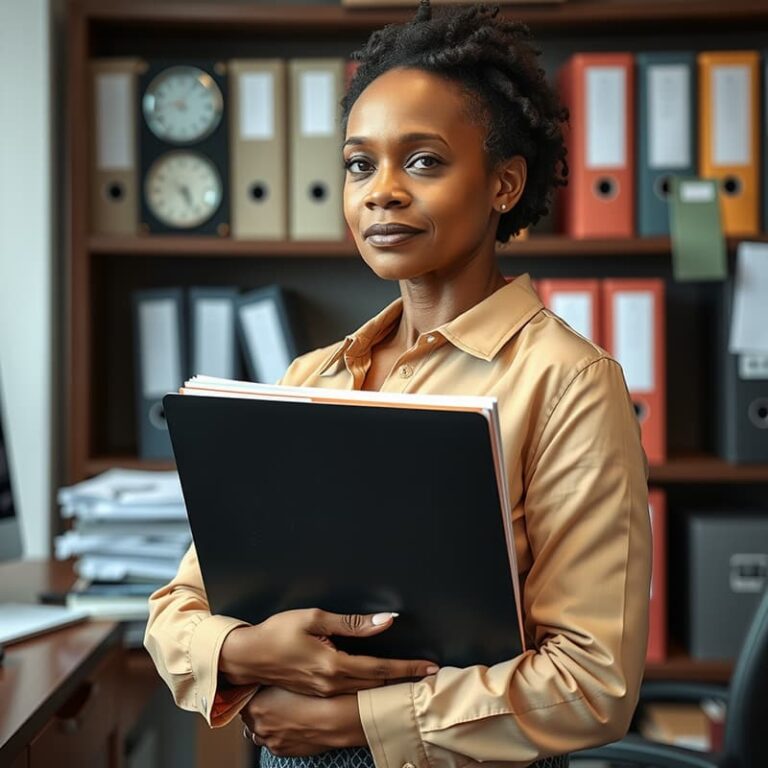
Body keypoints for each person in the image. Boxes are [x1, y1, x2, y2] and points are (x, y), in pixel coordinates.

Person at [144, 3, 651, 767]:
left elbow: (592, 681)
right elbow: (175, 610)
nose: (381, 191)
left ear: (504, 184)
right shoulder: (306, 379)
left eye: (423, 162)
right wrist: (250, 650)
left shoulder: (568, 383)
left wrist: (357, 723)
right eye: (359, 164)